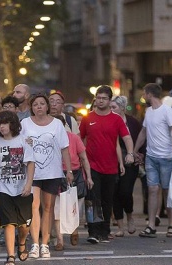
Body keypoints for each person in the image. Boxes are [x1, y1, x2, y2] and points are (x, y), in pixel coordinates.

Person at [80, 85, 135, 243]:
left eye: (104, 98)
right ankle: (93, 231)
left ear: (109, 100)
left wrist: (130, 154)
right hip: (92, 166)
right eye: (98, 98)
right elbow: (81, 139)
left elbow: (127, 138)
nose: (101, 101)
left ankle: (104, 230)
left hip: (110, 167)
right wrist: (81, 158)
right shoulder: (87, 118)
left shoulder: (116, 119)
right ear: (95, 99)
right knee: (92, 199)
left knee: (106, 200)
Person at [21, 94, 73, 258]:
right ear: (32, 107)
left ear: (47, 106)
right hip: (32, 172)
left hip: (52, 172)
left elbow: (65, 148)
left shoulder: (57, 124)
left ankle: (45, 243)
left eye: (42, 104)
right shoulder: (25, 123)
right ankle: (35, 244)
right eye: (35, 104)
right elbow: (19, 143)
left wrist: (69, 170)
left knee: (49, 208)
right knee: (34, 206)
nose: (39, 107)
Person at [134, 83, 172, 238]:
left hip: (167, 157)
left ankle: (171, 224)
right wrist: (135, 150)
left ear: (149, 94)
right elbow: (143, 132)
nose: (143, 96)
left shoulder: (167, 111)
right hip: (151, 157)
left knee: (167, 190)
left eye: (144, 93)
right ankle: (151, 225)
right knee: (152, 190)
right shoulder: (148, 112)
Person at [0, 110, 35, 265]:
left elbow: (30, 163)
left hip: (22, 188)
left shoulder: (23, 141)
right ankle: (10, 256)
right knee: (9, 223)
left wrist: (29, 184)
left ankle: (21, 242)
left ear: (13, 124)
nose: (2, 127)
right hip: (4, 189)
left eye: (5, 123)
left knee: (24, 225)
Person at [52, 115, 93, 249]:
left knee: (74, 207)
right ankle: (60, 240)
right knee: (57, 209)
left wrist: (89, 177)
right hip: (56, 174)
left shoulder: (74, 138)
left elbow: (84, 158)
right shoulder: (48, 138)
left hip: (75, 173)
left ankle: (74, 229)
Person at [110, 95, 144, 236]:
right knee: (114, 193)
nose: (111, 110)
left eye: (114, 107)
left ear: (123, 108)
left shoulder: (133, 122)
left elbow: (142, 138)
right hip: (112, 161)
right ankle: (120, 226)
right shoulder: (109, 121)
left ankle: (129, 216)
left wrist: (139, 154)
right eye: (110, 107)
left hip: (130, 162)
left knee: (125, 191)